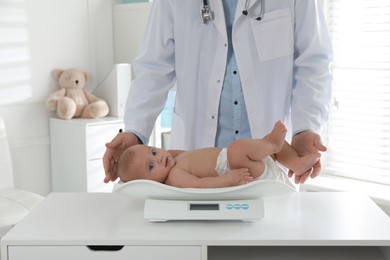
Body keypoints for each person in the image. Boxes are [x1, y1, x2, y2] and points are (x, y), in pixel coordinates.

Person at [104, 0, 333, 185]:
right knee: (200, 239)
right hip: (196, 159)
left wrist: (306, 127)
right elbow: (154, 69)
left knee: (270, 236)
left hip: (270, 157)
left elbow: (313, 62)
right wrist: (136, 133)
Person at [116, 121, 320, 188]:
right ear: (151, 183)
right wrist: (228, 179)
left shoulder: (170, 157)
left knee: (268, 145)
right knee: (238, 149)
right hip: (234, 167)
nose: (158, 157)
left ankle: (296, 162)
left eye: (153, 151)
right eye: (151, 166)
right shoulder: (174, 176)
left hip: (240, 160)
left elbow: (188, 155)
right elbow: (199, 185)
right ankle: (271, 144)